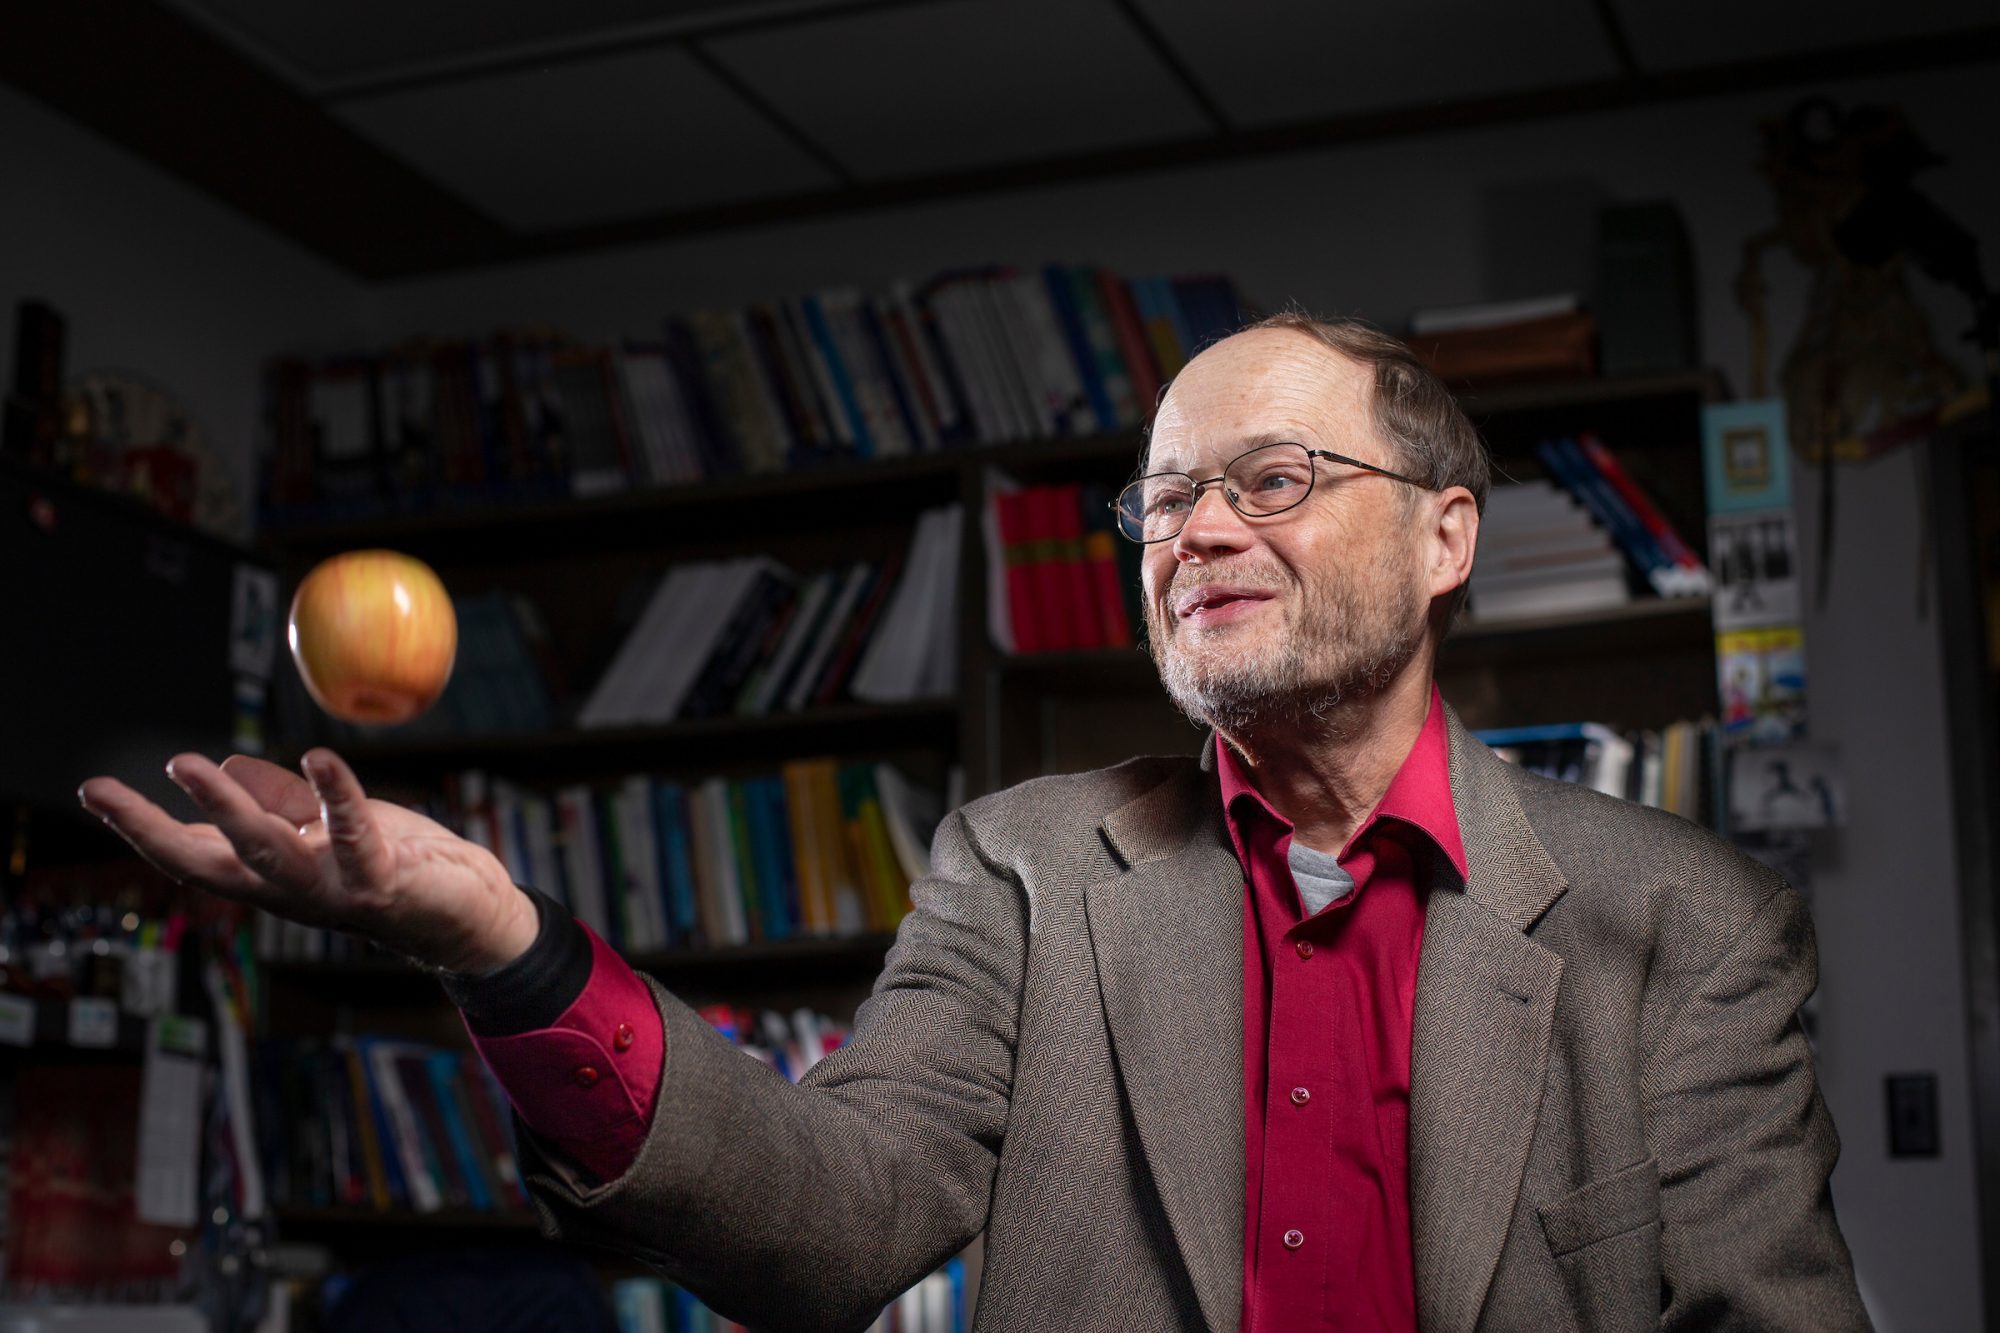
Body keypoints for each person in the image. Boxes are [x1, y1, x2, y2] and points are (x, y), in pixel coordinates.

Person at [78, 314, 1869, 1332]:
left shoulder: (1688, 916)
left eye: (1276, 479)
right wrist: (505, 942)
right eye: (1161, 500)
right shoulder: (1021, 869)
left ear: (1450, 538)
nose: (1197, 533)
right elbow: (824, 1223)